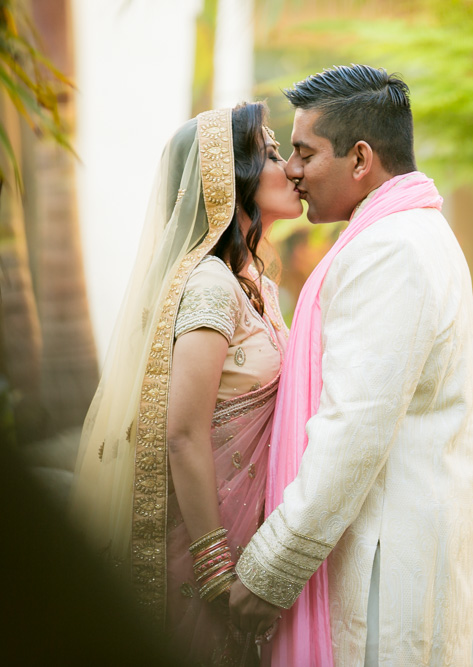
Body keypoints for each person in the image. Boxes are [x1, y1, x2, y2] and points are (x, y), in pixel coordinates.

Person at [229, 65, 473, 667]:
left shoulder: (391, 250)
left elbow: (353, 432)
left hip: (379, 570)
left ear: (361, 158)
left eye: (304, 152)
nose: (291, 170)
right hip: (388, 549)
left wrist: (271, 568)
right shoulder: (408, 233)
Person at [71, 102, 302, 666]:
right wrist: (215, 569)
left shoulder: (253, 285)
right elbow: (183, 433)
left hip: (246, 537)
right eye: (272, 154)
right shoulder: (209, 286)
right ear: (229, 179)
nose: (291, 168)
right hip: (204, 553)